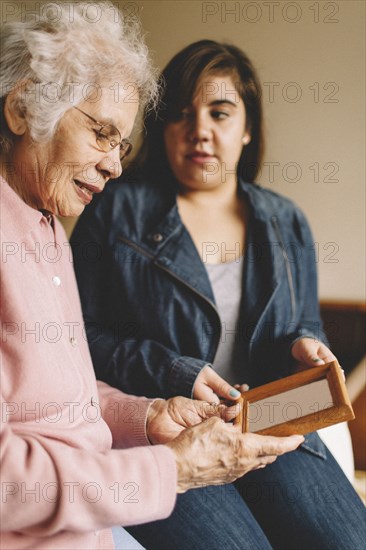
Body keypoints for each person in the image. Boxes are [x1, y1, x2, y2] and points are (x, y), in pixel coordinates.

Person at [0, 12, 306, 550]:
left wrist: (148, 415)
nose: (116, 166)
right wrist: (172, 468)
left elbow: (57, 396)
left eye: (122, 145)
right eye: (102, 134)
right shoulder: (98, 216)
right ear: (23, 108)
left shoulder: (45, 223)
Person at [71, 40, 366, 549]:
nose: (200, 130)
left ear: (248, 128)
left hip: (273, 420)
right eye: (181, 115)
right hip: (173, 431)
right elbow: (79, 341)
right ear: (162, 128)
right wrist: (174, 372)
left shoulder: (285, 219)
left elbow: (304, 324)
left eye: (220, 113)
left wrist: (306, 344)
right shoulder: (115, 210)